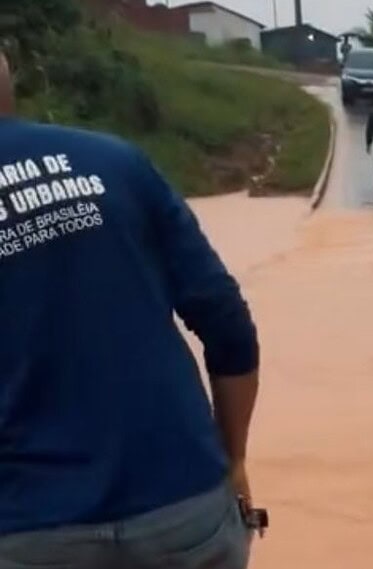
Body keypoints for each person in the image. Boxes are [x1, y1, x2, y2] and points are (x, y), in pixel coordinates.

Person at [0, 50, 260, 568]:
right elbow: (227, 323)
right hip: (185, 507)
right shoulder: (115, 161)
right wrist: (233, 459)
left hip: (28, 530)